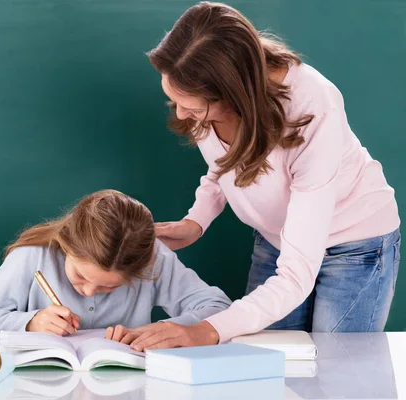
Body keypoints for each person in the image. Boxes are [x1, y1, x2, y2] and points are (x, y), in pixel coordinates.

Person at [116, 2, 400, 352]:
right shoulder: (202, 97)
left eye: (192, 107)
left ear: (236, 94)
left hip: (354, 246)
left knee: (336, 367)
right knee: (270, 364)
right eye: (173, 100)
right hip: (275, 238)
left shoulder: (313, 105)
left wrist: (204, 331)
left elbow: (295, 277)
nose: (182, 114)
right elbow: (223, 163)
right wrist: (197, 221)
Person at [0, 189, 231, 336]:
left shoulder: (155, 258)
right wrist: (31, 322)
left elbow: (219, 307)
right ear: (67, 243)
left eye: (108, 287)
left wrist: (164, 330)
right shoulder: (32, 255)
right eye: (80, 276)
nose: (88, 291)